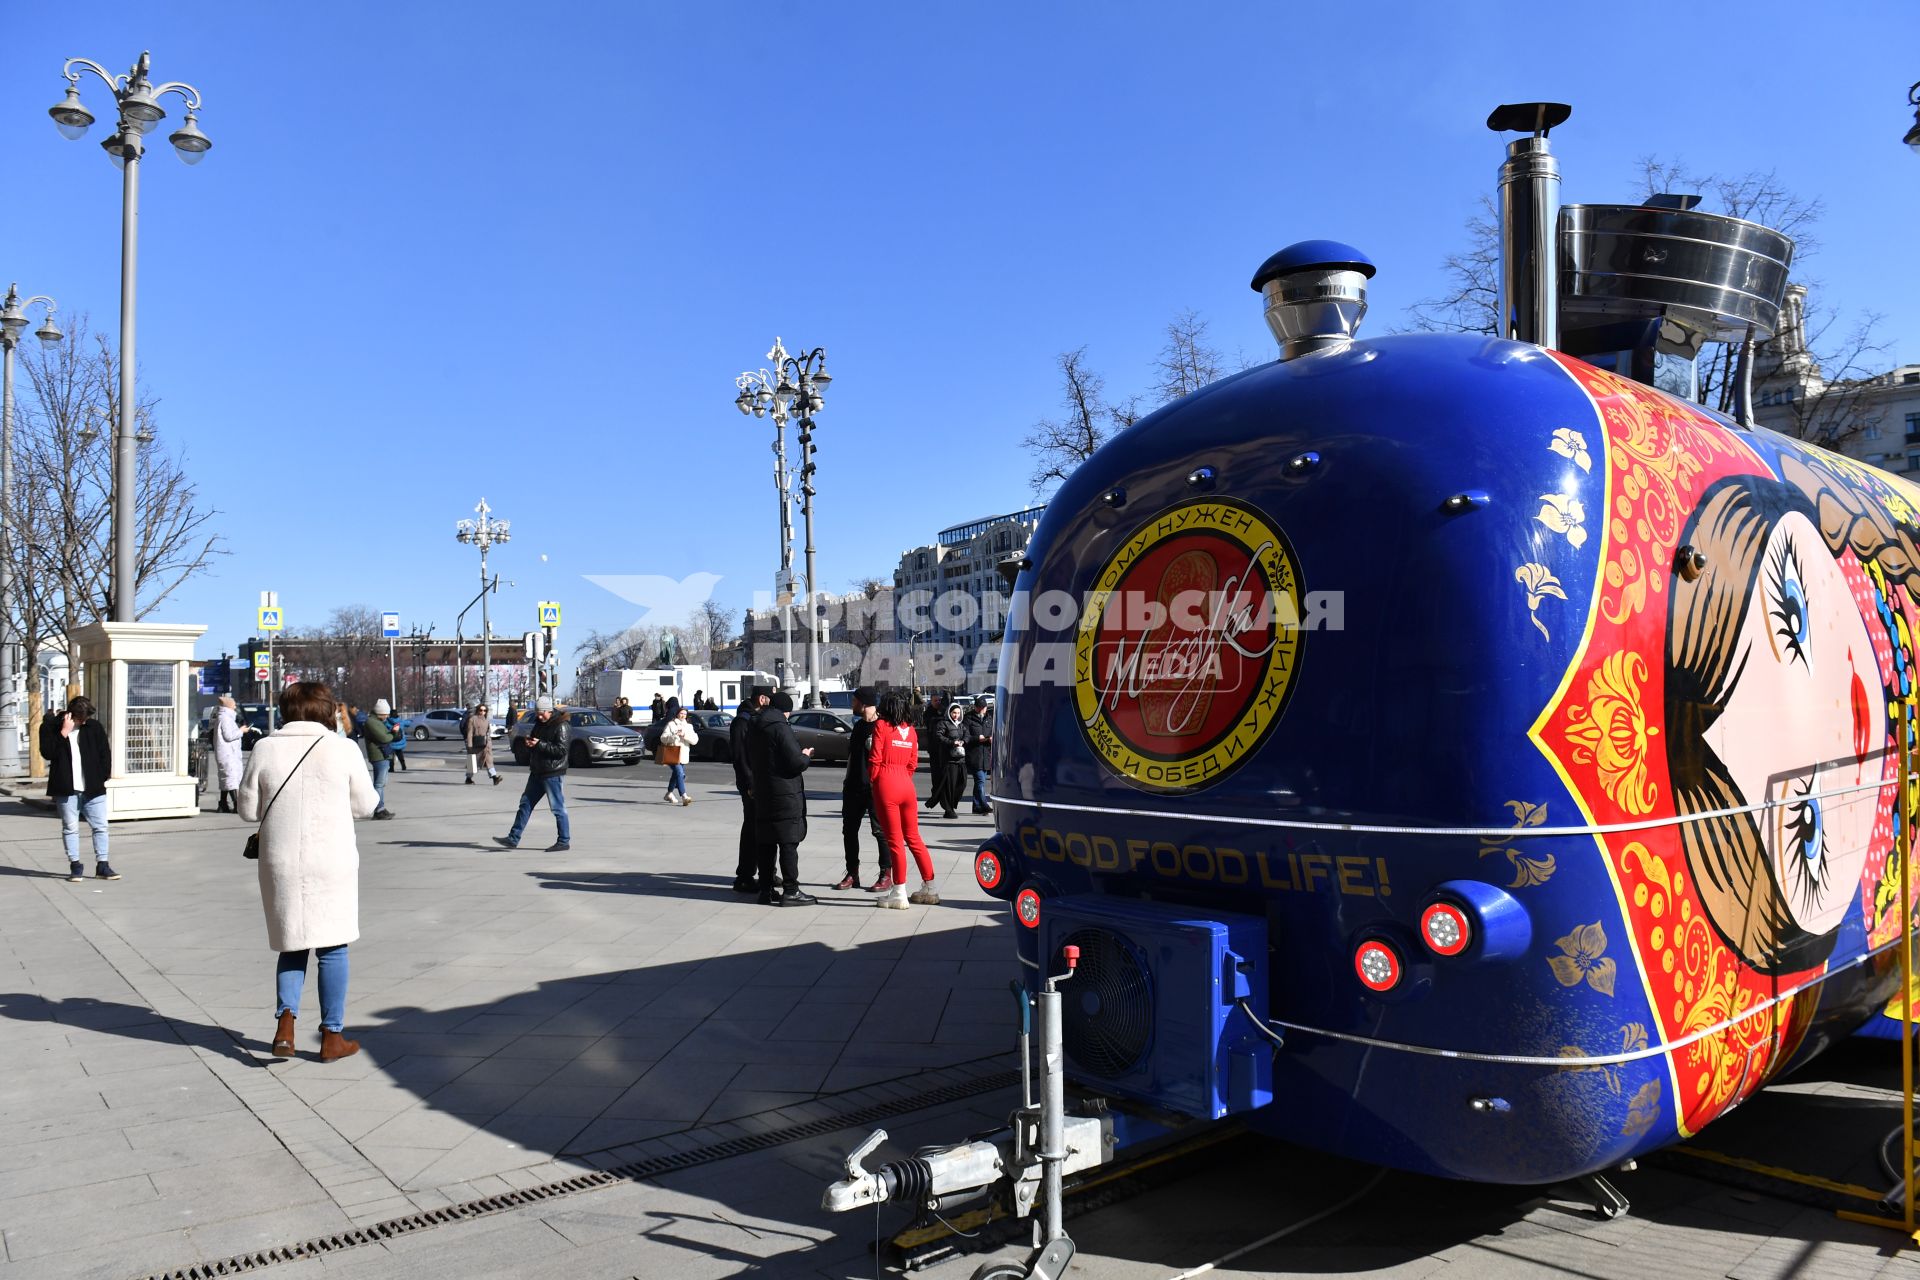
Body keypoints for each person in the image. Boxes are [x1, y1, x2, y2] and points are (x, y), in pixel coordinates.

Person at [238, 681, 379, 1062]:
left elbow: (248, 810)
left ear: (285, 710)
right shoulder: (343, 749)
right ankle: (332, 1037)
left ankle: (285, 1025)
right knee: (333, 948)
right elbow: (366, 805)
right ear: (327, 710)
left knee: (292, 943)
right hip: (330, 858)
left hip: (281, 861)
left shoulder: (266, 747)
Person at [747, 691, 817, 906]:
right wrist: (805, 755)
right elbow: (795, 763)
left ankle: (766, 890)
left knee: (766, 843)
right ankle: (791, 891)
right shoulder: (780, 727)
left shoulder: (754, 725)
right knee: (788, 841)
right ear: (787, 710)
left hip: (763, 792)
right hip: (784, 793)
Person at [869, 690, 937, 908]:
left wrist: (874, 781)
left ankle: (899, 891)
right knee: (914, 837)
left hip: (887, 783)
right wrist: (902, 778)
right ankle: (930, 886)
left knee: (895, 841)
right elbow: (912, 763)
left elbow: (875, 758)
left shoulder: (881, 726)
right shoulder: (911, 732)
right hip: (907, 786)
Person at [40, 694, 115, 882]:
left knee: (100, 827)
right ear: (71, 715)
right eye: (81, 719)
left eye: (86, 719)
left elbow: (105, 753)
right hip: (67, 788)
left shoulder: (93, 727)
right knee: (70, 828)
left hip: (93, 788)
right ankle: (75, 865)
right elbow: (47, 753)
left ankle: (103, 865)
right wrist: (63, 733)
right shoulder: (51, 726)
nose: (84, 722)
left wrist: (102, 776)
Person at [495, 696, 570, 852]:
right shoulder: (539, 723)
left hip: (553, 772)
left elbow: (561, 751)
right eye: (538, 713)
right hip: (537, 771)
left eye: (542, 713)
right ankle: (513, 838)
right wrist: (530, 744)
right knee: (525, 804)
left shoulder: (561, 726)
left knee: (557, 808)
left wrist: (539, 744)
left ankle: (563, 841)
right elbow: (537, 743)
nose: (539, 716)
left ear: (550, 711)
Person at [834, 686, 884, 892]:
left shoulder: (882, 726)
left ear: (864, 703)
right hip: (853, 788)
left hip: (875, 789)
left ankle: (885, 874)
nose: (852, 704)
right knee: (849, 831)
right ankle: (852, 873)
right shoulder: (858, 726)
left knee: (880, 832)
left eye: (854, 701)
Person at [731, 687, 769, 893]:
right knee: (752, 829)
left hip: (760, 781)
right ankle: (744, 875)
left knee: (762, 827)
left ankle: (766, 871)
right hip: (751, 785)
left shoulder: (755, 717)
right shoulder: (742, 721)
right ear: (762, 699)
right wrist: (750, 784)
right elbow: (739, 757)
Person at [213, 694, 252, 814]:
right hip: (228, 753)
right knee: (231, 778)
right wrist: (241, 731)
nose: (235, 707)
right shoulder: (225, 718)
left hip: (227, 752)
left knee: (226, 777)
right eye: (234, 704)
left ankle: (223, 804)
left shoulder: (224, 717)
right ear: (229, 706)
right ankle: (237, 804)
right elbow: (229, 736)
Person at [361, 697, 397, 820]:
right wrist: (393, 733)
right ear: (380, 713)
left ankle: (380, 808)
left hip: (382, 755)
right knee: (379, 784)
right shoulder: (372, 722)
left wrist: (391, 733)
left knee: (381, 783)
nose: (387, 716)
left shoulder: (377, 722)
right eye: (385, 714)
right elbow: (384, 738)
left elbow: (385, 736)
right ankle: (378, 809)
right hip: (378, 756)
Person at [658, 700, 699, 805]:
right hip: (672, 753)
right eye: (681, 713)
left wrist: (684, 735)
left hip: (683, 754)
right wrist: (674, 736)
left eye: (685, 714)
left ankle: (669, 793)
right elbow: (663, 738)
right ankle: (684, 796)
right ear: (677, 714)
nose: (683, 716)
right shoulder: (671, 724)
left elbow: (695, 740)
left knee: (676, 775)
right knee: (680, 773)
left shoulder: (689, 726)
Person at [931, 702, 967, 819]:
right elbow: (938, 736)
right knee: (949, 786)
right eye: (954, 713)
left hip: (961, 759)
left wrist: (963, 741)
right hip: (949, 760)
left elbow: (967, 735)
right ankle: (948, 809)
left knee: (962, 783)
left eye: (958, 713)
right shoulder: (944, 724)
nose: (956, 715)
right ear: (949, 713)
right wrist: (952, 742)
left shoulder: (961, 725)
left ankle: (952, 804)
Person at [964, 696, 994, 815]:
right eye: (980, 708)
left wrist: (991, 739)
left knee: (980, 782)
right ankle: (984, 804)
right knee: (980, 780)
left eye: (984, 708)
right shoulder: (968, 719)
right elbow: (965, 736)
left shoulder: (989, 719)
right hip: (974, 755)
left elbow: (993, 732)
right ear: (975, 707)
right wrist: (977, 738)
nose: (982, 710)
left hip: (986, 754)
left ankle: (976, 806)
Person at [464, 702, 501, 785]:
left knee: (489, 761)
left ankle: (494, 777)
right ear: (477, 710)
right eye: (481, 710)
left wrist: (489, 743)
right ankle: (468, 778)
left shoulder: (486, 720)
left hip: (486, 745)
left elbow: (488, 732)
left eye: (484, 710)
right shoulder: (472, 719)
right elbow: (469, 733)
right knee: (473, 762)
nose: (482, 712)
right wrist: (469, 745)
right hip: (475, 744)